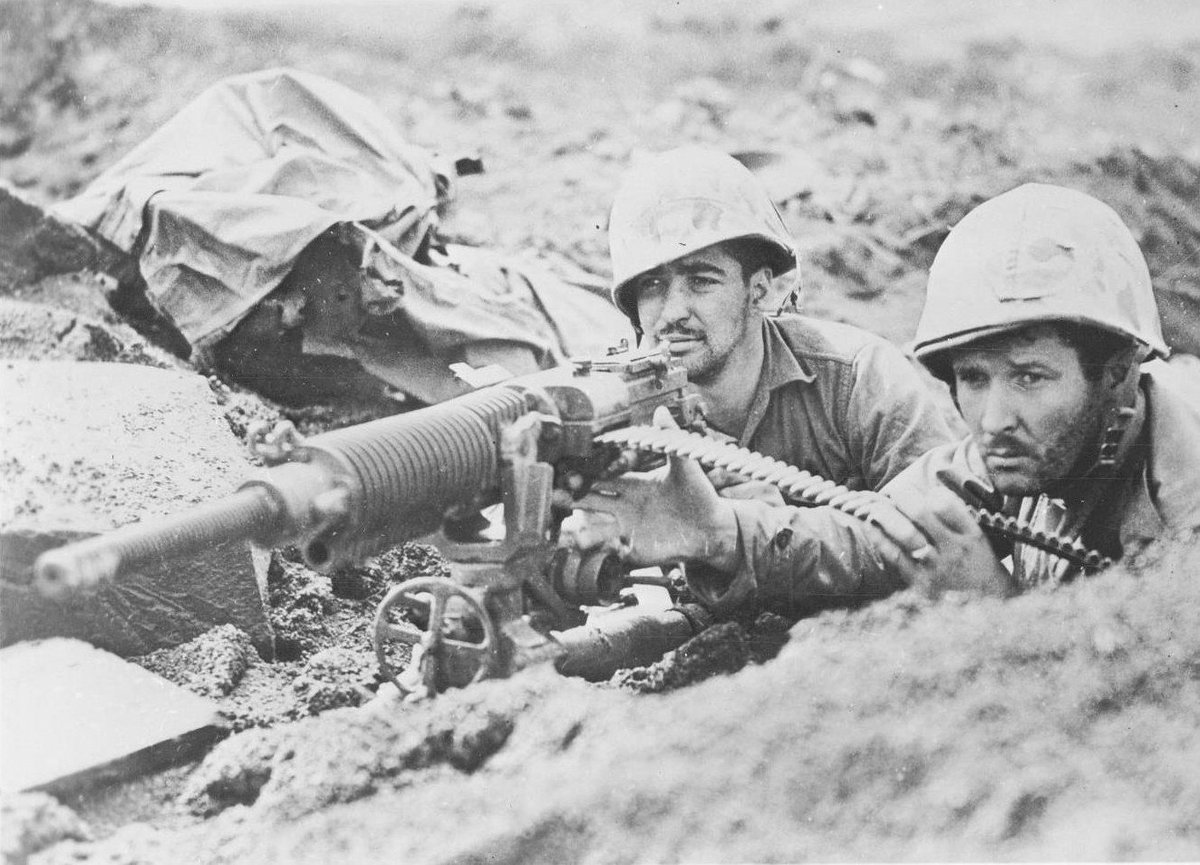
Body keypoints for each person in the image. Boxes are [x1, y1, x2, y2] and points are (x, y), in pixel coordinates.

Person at [568, 181, 1200, 610]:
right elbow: (870, 536)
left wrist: (998, 611)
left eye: (1030, 377)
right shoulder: (1003, 454)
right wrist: (721, 531)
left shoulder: (1185, 495)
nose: (993, 419)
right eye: (973, 380)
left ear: (1117, 371)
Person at [563, 146, 961, 616]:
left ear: (760, 288)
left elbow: (947, 549)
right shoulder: (614, 411)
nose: (672, 312)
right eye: (651, 286)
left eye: (702, 281)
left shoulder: (860, 380)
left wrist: (750, 532)